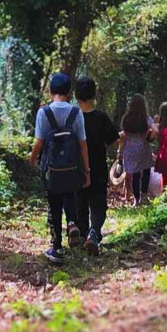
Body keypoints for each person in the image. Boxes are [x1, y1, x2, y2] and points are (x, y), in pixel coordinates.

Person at [28, 72, 90, 263]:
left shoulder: (43, 113)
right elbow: (82, 144)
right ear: (69, 92)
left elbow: (39, 142)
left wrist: (31, 158)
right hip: (71, 167)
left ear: (50, 90)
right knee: (69, 194)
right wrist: (86, 171)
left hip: (51, 168)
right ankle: (72, 223)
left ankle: (56, 248)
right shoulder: (76, 112)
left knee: (54, 202)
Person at [74, 76, 120, 255]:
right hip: (98, 168)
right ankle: (94, 233)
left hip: (78, 168)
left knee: (80, 202)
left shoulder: (73, 118)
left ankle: (82, 234)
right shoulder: (101, 117)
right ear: (94, 95)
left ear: (77, 96)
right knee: (98, 204)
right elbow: (112, 138)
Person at [118, 94, 155, 206]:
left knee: (135, 174)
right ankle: (144, 196)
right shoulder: (146, 118)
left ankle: (136, 200)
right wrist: (149, 136)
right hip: (143, 147)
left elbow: (123, 133)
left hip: (130, 148)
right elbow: (156, 130)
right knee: (146, 170)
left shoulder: (126, 118)